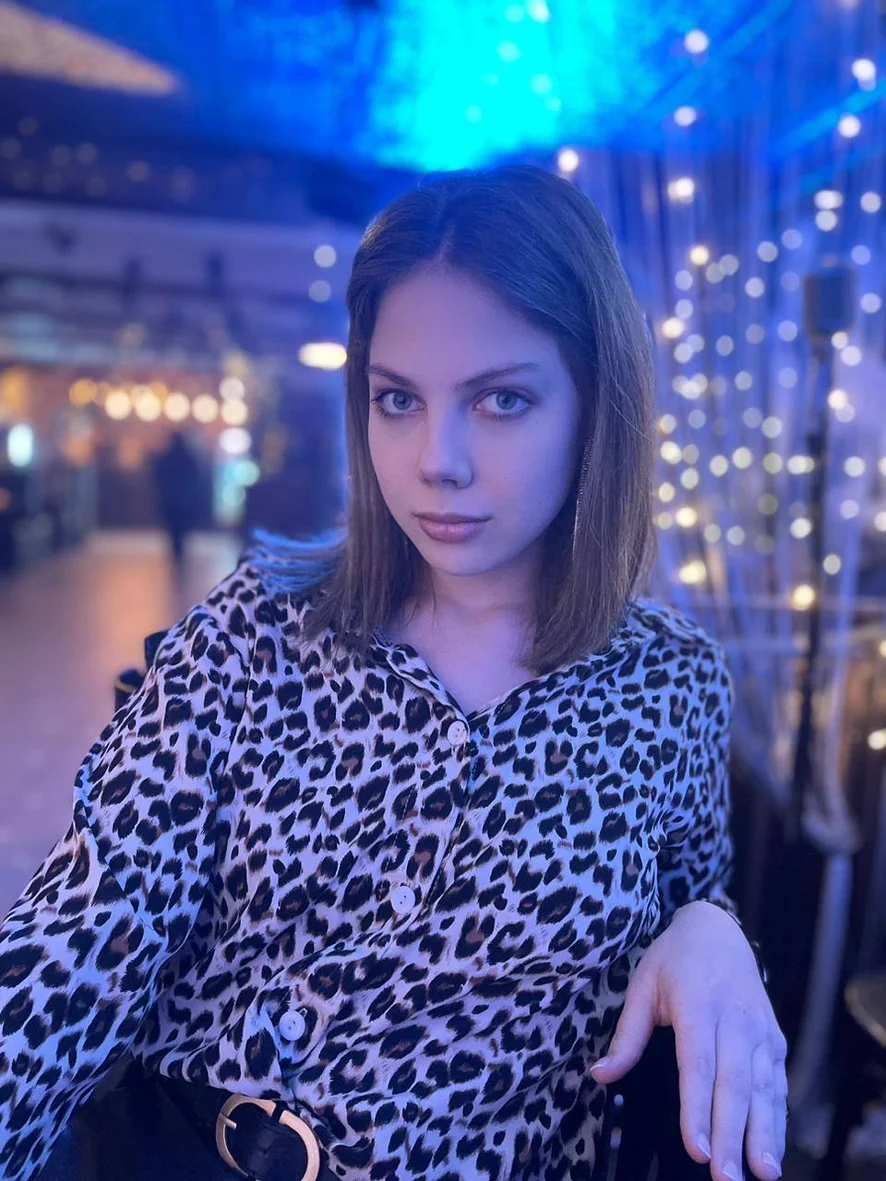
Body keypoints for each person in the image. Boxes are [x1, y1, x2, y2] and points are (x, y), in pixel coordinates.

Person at [0, 165, 787, 1181]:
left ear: (597, 408)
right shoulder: (258, 629)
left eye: (501, 399)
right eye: (397, 399)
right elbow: (81, 938)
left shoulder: (668, 683)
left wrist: (713, 927)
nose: (435, 460)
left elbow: (689, 920)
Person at [150, 429, 203, 573]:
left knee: (173, 529)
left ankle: (176, 552)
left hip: (170, 500)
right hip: (185, 501)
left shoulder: (167, 457)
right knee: (182, 529)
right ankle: (180, 552)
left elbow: (158, 474)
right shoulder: (188, 458)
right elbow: (196, 478)